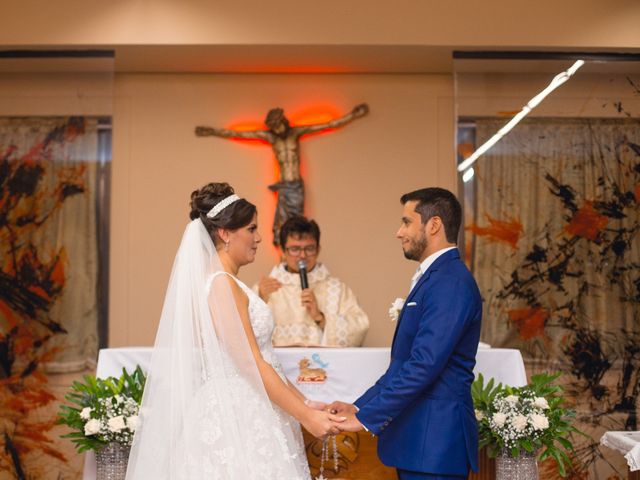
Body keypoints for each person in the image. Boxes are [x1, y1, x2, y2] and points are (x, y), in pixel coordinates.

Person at [125, 182, 345, 480]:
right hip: (236, 414)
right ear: (225, 233)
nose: (258, 239)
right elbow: (250, 362)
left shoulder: (228, 283)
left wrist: (306, 403)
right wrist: (305, 416)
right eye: (252, 229)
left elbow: (267, 360)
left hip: (252, 403)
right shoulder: (221, 284)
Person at [329, 188, 482, 480]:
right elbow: (402, 364)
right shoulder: (435, 278)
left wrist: (364, 419)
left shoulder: (450, 282)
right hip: (420, 443)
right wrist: (359, 405)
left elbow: (424, 365)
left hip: (435, 444)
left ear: (433, 224)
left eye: (406, 222)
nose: (398, 232)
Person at [195, 104, 369, 245]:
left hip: (295, 187)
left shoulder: (296, 133)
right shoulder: (271, 138)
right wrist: (211, 131)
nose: (276, 130)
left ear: (283, 121)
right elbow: (237, 133)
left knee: (295, 223)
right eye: (273, 128)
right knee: (280, 225)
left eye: (277, 125)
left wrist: (354, 115)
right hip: (284, 187)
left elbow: (330, 124)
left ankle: (295, 249)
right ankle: (286, 251)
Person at [255, 215, 369, 347]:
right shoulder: (265, 289)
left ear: (318, 249)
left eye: (309, 249)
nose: (302, 255)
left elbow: (361, 326)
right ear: (283, 251)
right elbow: (245, 333)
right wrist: (259, 300)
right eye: (295, 249)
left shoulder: (337, 289)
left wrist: (320, 317)